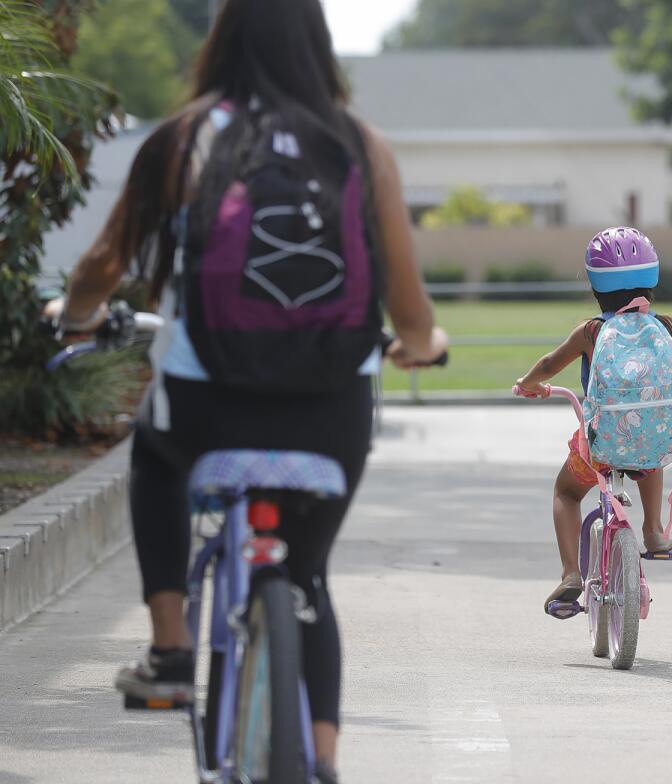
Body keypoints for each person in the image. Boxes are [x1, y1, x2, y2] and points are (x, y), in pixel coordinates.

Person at [43, 0, 447, 779]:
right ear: (319, 43)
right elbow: (411, 310)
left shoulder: (185, 137)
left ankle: (168, 650)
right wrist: (424, 346)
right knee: (306, 577)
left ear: (222, 40)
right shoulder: (361, 146)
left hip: (206, 401)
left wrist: (78, 313)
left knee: (155, 459)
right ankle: (321, 758)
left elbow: (103, 262)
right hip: (332, 405)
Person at [515, 227, 672, 616]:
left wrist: (531, 384)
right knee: (650, 449)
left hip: (600, 446)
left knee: (566, 493)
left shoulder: (592, 331)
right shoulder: (665, 327)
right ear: (652, 279)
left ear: (595, 285)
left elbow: (551, 364)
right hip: (651, 443)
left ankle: (571, 573)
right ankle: (653, 531)